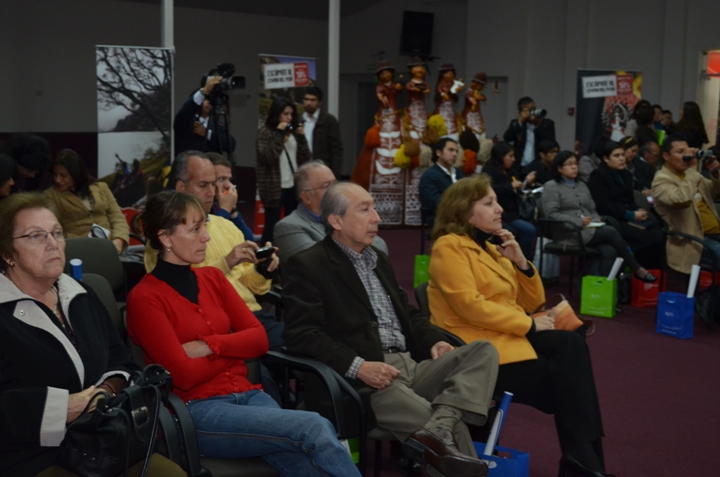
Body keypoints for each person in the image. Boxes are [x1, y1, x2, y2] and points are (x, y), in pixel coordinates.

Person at [127, 191, 360, 477]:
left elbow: (259, 340)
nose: (206, 237)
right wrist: (235, 350)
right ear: (165, 238)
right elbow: (184, 376)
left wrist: (210, 346)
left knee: (306, 461)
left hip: (251, 397)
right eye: (195, 229)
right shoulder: (144, 298)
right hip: (197, 413)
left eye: (204, 227)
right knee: (314, 426)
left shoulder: (212, 278)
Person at [282, 182, 499, 477]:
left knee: (483, 350)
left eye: (374, 208)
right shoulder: (309, 264)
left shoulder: (377, 258)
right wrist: (359, 366)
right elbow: (301, 335)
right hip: (364, 382)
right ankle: (443, 427)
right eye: (365, 210)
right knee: (452, 434)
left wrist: (433, 341)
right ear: (336, 221)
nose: (377, 217)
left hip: (410, 366)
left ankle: (440, 425)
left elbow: (407, 312)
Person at [427, 175, 611, 477]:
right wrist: (529, 325)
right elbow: (469, 306)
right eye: (489, 203)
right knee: (572, 386)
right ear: (465, 212)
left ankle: (583, 464)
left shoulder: (491, 248)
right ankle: (585, 465)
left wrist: (521, 263)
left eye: (496, 202)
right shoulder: (449, 246)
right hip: (478, 351)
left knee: (573, 348)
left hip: (506, 336)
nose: (499, 208)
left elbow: (532, 302)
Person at [0, 193, 184, 477]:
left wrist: (105, 392)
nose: (52, 243)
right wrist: (64, 409)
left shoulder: (81, 294)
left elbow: (122, 360)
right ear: (7, 253)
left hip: (107, 441)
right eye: (36, 236)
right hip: (33, 455)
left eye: (57, 233)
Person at [152, 151, 283, 351]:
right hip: (215, 324)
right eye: (203, 185)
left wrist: (262, 270)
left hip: (250, 314)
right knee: (307, 343)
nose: (212, 192)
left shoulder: (226, 225)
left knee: (310, 337)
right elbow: (180, 290)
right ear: (180, 187)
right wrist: (227, 262)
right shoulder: (168, 238)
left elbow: (253, 286)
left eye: (213, 184)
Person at [542, 151, 657, 280]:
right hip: (569, 232)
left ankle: (599, 288)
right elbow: (551, 214)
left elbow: (592, 209)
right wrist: (579, 222)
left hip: (589, 229)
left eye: (575, 163)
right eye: (569, 164)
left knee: (610, 251)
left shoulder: (581, 185)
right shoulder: (551, 186)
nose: (574, 167)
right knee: (610, 231)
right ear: (559, 168)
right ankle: (637, 268)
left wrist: (596, 220)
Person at [274, 161, 387, 263]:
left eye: (335, 183)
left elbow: (380, 246)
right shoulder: (288, 227)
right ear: (307, 197)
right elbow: (319, 263)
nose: (336, 190)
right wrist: (358, 244)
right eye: (326, 186)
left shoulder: (345, 214)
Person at [587, 141, 665, 269]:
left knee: (658, 232)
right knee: (650, 237)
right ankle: (640, 271)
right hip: (612, 219)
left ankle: (653, 273)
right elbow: (602, 205)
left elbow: (630, 200)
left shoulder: (626, 174)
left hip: (628, 216)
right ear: (606, 158)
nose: (621, 159)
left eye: (623, 155)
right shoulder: (598, 175)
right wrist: (631, 214)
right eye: (616, 156)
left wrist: (638, 210)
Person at [652, 135, 720, 274]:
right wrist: (694, 169)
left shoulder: (689, 174)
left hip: (715, 234)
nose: (686, 156)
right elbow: (681, 200)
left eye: (687, 151)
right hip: (694, 242)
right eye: (680, 152)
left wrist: (715, 173)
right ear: (666, 156)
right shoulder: (661, 180)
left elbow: (715, 193)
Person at [44, 149, 129, 254]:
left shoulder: (101, 187)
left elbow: (117, 217)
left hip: (111, 247)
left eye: (63, 175)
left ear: (76, 173)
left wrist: (119, 240)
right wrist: (85, 245)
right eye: (55, 175)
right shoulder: (50, 196)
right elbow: (53, 230)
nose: (57, 180)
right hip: (78, 250)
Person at [257, 97, 312, 245]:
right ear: (277, 114)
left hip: (293, 185)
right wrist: (280, 134)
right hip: (274, 186)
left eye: (291, 114)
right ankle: (266, 255)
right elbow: (268, 158)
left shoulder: (294, 133)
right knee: (271, 226)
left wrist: (301, 138)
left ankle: (290, 252)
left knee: (293, 225)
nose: (289, 118)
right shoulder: (265, 133)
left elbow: (306, 159)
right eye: (285, 114)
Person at [483, 142, 537, 260]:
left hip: (515, 211)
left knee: (531, 227)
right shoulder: (488, 171)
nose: (513, 159)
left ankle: (523, 259)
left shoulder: (511, 171)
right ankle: (518, 259)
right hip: (501, 212)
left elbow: (518, 190)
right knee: (527, 229)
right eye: (510, 156)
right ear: (501, 156)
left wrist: (526, 183)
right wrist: (510, 186)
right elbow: (489, 190)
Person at [174, 76, 236, 155]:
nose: (209, 102)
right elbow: (184, 113)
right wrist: (204, 91)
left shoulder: (218, 124)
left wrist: (207, 134)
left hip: (212, 162)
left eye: (210, 99)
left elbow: (231, 145)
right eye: (206, 99)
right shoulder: (187, 121)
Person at [419, 138, 467, 227]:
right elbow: (434, 202)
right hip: (440, 216)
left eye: (456, 151)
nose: (455, 154)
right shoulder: (429, 175)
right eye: (451, 150)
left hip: (462, 215)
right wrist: (459, 208)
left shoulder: (460, 173)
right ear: (439, 153)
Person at [206, 152, 253, 241]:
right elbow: (211, 239)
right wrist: (225, 210)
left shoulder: (217, 204)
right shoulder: (201, 205)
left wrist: (233, 211)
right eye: (221, 179)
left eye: (229, 179)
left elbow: (248, 239)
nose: (228, 186)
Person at [503, 96, 556, 170]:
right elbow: (507, 138)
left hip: (539, 165)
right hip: (519, 166)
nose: (532, 112)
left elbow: (551, 142)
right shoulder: (516, 123)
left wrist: (538, 126)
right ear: (520, 112)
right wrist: (520, 122)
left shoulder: (547, 123)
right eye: (529, 110)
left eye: (533, 109)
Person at [302, 86, 344, 177]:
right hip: (302, 168)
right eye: (306, 99)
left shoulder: (328, 121)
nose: (308, 103)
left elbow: (336, 150)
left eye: (313, 100)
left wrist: (334, 174)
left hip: (322, 168)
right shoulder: (299, 120)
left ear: (320, 102)